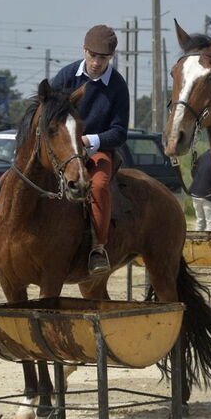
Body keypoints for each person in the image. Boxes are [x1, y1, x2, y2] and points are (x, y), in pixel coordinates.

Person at [51, 25, 130, 274]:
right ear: (84, 50)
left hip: (97, 151)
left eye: (103, 57)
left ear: (112, 56)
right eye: (92, 55)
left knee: (98, 186)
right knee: (14, 175)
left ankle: (98, 248)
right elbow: (48, 115)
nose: (96, 62)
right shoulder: (66, 76)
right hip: (63, 149)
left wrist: (88, 141)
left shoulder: (118, 86)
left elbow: (119, 132)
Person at [189, 150, 211, 231]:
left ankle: (197, 239)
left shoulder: (204, 155)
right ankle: (208, 239)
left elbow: (193, 171)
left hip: (195, 192)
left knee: (200, 221)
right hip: (208, 194)